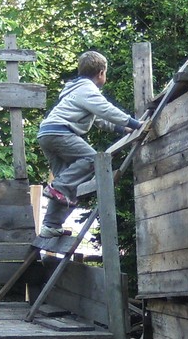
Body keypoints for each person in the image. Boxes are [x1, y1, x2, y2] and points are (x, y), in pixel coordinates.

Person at [36, 51, 141, 239]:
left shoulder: (75, 89)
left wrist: (121, 129)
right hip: (60, 132)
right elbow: (105, 109)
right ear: (101, 73)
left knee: (69, 182)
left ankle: (50, 225)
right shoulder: (87, 89)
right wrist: (134, 124)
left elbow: (99, 119)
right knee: (93, 159)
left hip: (47, 135)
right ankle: (58, 187)